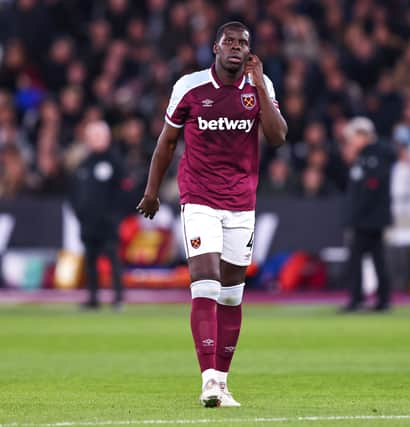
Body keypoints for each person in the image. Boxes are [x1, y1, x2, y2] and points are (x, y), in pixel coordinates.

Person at [136, 21, 287, 408]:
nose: (236, 48)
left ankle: (222, 382)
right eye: (229, 42)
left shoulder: (259, 88)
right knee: (205, 284)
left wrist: (261, 85)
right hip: (199, 198)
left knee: (233, 297)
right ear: (215, 49)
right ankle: (206, 380)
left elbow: (278, 136)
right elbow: (167, 142)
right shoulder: (190, 87)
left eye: (243, 43)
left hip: (242, 203)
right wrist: (152, 191)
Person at [69, 120, 125, 310]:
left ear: (107, 137)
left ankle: (118, 298)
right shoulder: (84, 163)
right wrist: (80, 213)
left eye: (99, 136)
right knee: (90, 262)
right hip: (88, 223)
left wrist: (115, 215)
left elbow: (124, 191)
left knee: (112, 259)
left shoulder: (115, 162)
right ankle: (93, 298)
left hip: (108, 223)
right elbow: (75, 193)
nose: (96, 140)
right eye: (93, 136)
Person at [340, 117, 394, 312]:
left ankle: (360, 299)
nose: (351, 142)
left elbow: (371, 189)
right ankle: (380, 299)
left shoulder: (375, 156)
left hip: (370, 219)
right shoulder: (365, 157)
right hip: (367, 218)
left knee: (360, 259)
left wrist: (355, 215)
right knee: (375, 258)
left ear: (363, 135)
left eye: (353, 137)